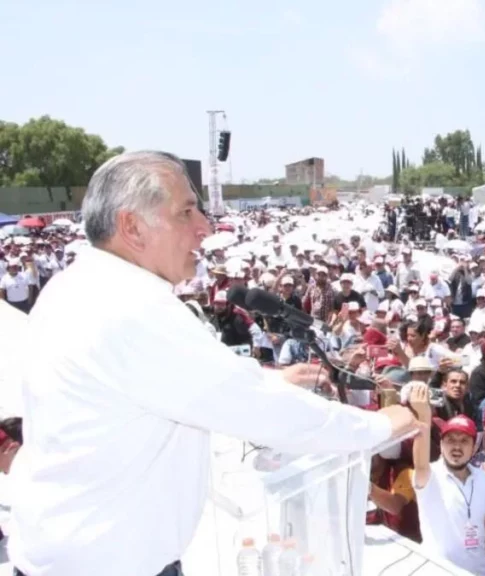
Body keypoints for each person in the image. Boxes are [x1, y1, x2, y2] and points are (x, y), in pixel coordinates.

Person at [7, 152, 420, 576]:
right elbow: (259, 410)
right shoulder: (132, 307)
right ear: (132, 227)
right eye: (186, 211)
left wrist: (272, 378)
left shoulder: (77, 286)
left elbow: (175, 381)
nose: (204, 226)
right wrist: (380, 425)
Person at [408, 385, 485, 576]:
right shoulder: (429, 476)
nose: (456, 446)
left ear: (473, 447)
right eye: (451, 440)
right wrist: (423, 417)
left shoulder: (484, 478)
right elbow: (420, 464)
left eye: (464, 441)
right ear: (441, 444)